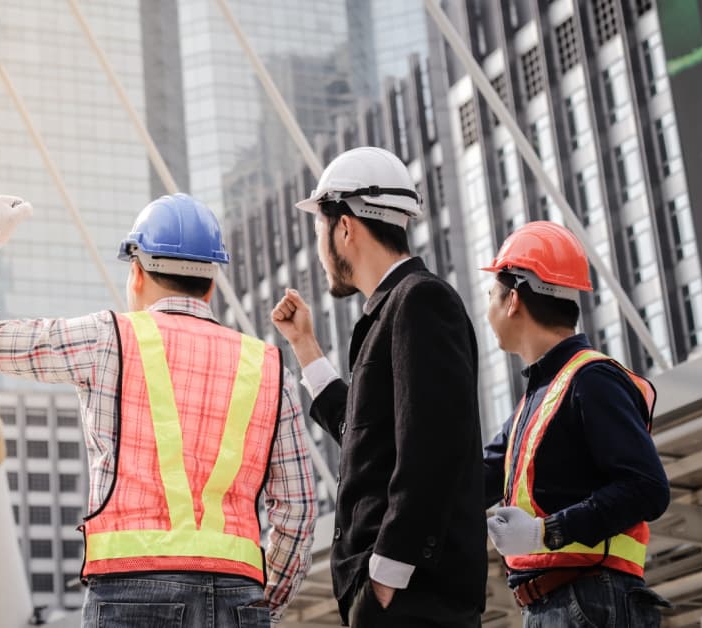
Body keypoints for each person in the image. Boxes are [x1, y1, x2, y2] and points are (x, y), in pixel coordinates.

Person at [0, 193, 318, 627]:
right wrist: (261, 602)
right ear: (212, 284)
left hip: (131, 593)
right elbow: (298, 508)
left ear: (137, 272)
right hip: (238, 595)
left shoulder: (109, 339)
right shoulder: (269, 366)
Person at [270, 146, 486, 627]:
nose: (320, 247)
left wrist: (386, 575)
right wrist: (305, 347)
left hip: (409, 597)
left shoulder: (420, 301)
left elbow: (432, 449)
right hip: (396, 596)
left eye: (320, 228)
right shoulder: (393, 309)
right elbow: (366, 435)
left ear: (344, 226)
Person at [479, 221, 671, 626]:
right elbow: (475, 478)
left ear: (513, 300)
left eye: (491, 296)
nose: (487, 310)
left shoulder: (590, 379)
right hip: (563, 604)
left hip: (589, 601)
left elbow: (648, 488)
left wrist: (544, 534)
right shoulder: (538, 398)